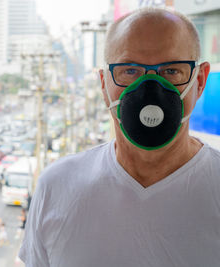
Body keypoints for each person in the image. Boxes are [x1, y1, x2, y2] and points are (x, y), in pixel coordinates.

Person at [19, 7, 220, 267]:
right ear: (104, 83)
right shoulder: (55, 187)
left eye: (171, 71)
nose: (150, 88)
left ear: (200, 80)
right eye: (130, 71)